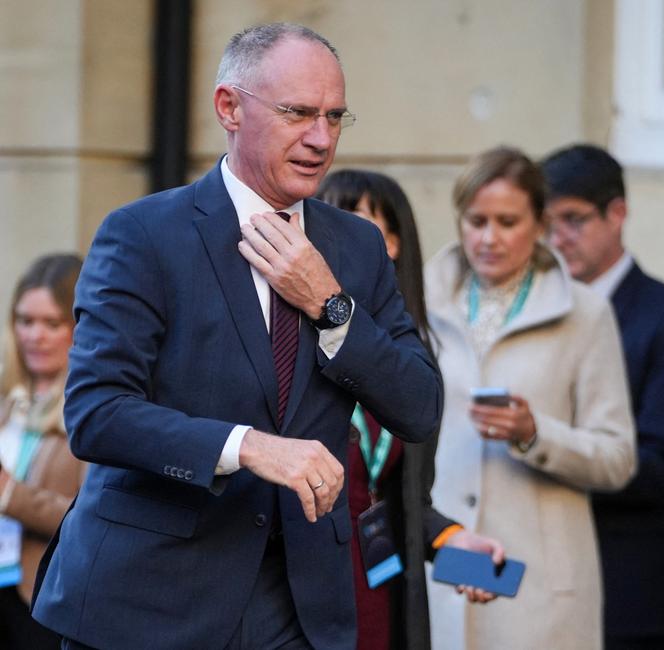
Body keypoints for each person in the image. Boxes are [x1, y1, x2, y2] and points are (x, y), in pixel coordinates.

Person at [31, 23, 443, 650]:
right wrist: (249, 446)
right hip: (149, 602)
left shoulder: (356, 247)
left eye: (335, 117)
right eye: (298, 113)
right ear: (229, 106)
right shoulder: (142, 235)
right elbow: (96, 413)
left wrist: (331, 307)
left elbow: (419, 405)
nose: (321, 138)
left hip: (301, 607)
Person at [423, 145, 637, 649]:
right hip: (441, 568)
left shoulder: (585, 313)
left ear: (541, 225)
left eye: (507, 221)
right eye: (476, 220)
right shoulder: (419, 300)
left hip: (539, 589)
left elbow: (618, 457)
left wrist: (535, 433)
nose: (488, 238)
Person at [318, 169, 501, 650]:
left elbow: (408, 503)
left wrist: (452, 542)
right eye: (323, 221)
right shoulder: (289, 343)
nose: (335, 236)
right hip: (301, 585)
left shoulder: (414, 363)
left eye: (356, 220)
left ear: (393, 244)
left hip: (380, 585)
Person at [542, 143, 664, 650]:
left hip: (625, 598)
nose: (557, 239)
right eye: (547, 223)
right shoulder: (535, 313)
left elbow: (663, 466)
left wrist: (543, 449)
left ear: (617, 213)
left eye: (573, 220)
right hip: (532, 588)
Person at [0, 254, 85, 650]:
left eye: (52, 324)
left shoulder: (91, 409)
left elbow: (88, 516)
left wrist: (10, 494)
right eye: (24, 321)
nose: (35, 335)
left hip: (39, 595)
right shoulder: (7, 401)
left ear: (78, 327)